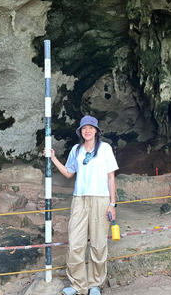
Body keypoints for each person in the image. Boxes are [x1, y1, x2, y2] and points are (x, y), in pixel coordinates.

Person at [45, 115, 118, 295]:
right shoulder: (76, 150)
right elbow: (69, 173)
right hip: (79, 200)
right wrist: (53, 158)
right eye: (84, 128)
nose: (87, 131)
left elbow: (111, 177)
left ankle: (94, 284)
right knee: (75, 243)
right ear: (80, 131)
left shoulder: (106, 149)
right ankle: (78, 285)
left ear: (96, 131)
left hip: (101, 199)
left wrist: (112, 204)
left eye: (90, 128)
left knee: (98, 243)